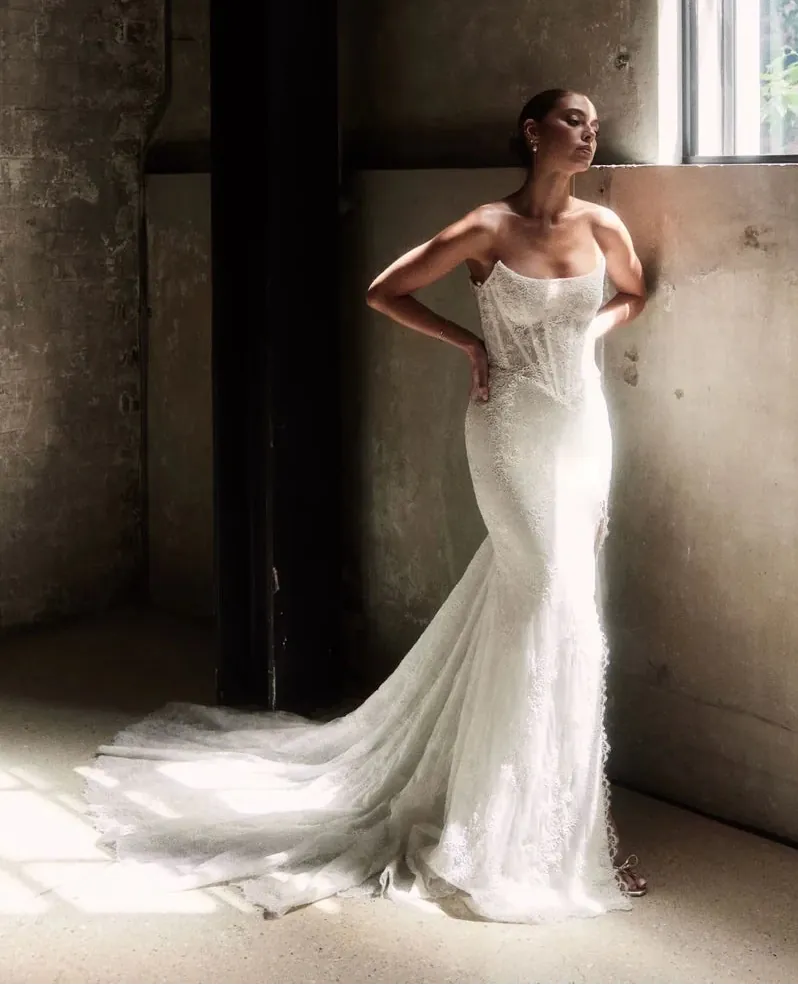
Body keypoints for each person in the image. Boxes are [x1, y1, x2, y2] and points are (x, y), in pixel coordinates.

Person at [86, 89, 647, 923]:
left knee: (573, 611)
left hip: (581, 433)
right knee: (535, 593)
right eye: (573, 119)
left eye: (594, 122)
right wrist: (469, 341)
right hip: (508, 429)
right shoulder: (487, 226)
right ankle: (489, 822)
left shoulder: (606, 226)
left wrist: (585, 337)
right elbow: (386, 289)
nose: (590, 131)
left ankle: (558, 825)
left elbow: (633, 292)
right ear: (532, 132)